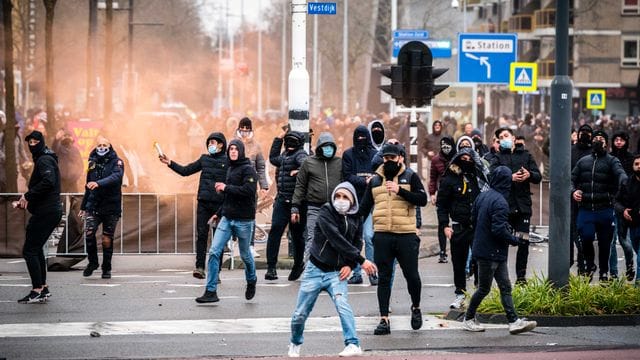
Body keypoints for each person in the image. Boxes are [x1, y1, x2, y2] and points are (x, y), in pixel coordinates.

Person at [287, 182, 378, 358]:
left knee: (343, 305)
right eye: (338, 196)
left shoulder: (356, 217)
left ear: (352, 200)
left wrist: (350, 265)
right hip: (315, 269)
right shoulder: (325, 212)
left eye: (345, 197)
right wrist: (361, 261)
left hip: (337, 273)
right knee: (300, 313)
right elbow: (335, 238)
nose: (341, 200)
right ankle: (295, 342)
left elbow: (357, 242)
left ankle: (353, 344)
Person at [359, 143, 428, 335]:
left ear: (400, 158)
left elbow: (422, 200)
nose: (389, 161)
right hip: (382, 234)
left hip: (406, 234)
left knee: (412, 276)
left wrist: (400, 191)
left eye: (392, 158)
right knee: (384, 278)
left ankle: (416, 307)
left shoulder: (411, 176)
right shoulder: (375, 181)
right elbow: (364, 209)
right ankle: (384, 319)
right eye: (386, 158)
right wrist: (350, 223)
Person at [461, 166, 537, 335]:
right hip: (491, 252)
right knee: (484, 288)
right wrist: (515, 240)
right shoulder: (501, 201)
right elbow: (498, 229)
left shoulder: (483, 196)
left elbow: (475, 218)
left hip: (486, 249)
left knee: (505, 286)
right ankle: (468, 318)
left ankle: (513, 321)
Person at [196, 139, 258, 303]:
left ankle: (251, 280)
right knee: (215, 251)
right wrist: (218, 212)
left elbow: (249, 191)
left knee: (245, 255)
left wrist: (225, 187)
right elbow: (228, 197)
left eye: (235, 149)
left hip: (244, 220)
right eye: (230, 149)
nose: (232, 152)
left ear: (241, 151)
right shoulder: (230, 169)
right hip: (227, 218)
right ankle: (211, 291)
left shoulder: (248, 170)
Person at [160, 132, 228, 279]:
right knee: (202, 235)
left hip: (219, 206)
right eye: (209, 143)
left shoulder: (228, 161)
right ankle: (200, 267)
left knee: (218, 239)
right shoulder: (204, 159)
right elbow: (186, 171)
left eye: (213, 142)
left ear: (221, 144)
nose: (211, 145)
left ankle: (216, 273)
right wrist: (170, 163)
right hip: (203, 203)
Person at [571, 130, 627, 282]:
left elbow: (620, 173)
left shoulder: (612, 161)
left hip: (605, 209)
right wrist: (573, 191)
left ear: (606, 143)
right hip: (586, 209)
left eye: (601, 139)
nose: (598, 141)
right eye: (595, 138)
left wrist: (625, 182)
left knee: (604, 244)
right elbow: (571, 179)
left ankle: (604, 272)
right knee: (586, 238)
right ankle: (590, 265)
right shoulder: (583, 161)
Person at [437, 148, 488, 310]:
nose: (466, 161)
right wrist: (445, 225)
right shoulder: (449, 179)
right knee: (458, 263)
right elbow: (442, 205)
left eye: (469, 158)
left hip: (478, 227)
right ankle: (460, 294)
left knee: (479, 261)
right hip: (458, 227)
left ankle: (480, 294)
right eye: (463, 158)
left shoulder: (478, 178)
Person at [15, 130, 62, 303]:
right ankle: (43, 288)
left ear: (41, 142)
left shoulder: (44, 160)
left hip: (47, 211)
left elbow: (48, 182)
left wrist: (28, 195)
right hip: (48, 210)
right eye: (30, 142)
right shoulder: (45, 157)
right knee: (36, 249)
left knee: (30, 250)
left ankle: (37, 289)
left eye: (36, 142)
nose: (32, 145)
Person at [490, 127, 541, 284]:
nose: (503, 138)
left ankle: (521, 277)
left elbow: (538, 176)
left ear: (513, 138)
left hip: (523, 208)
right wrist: (509, 177)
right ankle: (501, 278)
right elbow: (491, 176)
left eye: (506, 135)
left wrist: (529, 175)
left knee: (523, 242)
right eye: (500, 137)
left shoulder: (526, 155)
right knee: (501, 242)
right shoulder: (497, 157)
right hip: (504, 208)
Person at [291, 132, 342, 258]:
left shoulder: (339, 163)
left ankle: (333, 270)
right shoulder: (308, 163)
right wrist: (295, 207)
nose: (328, 149)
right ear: (319, 148)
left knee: (334, 239)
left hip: (334, 209)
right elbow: (300, 186)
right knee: (312, 238)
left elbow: (345, 185)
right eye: (325, 146)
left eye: (331, 146)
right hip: (314, 208)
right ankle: (309, 268)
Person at [265, 129, 308, 281]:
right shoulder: (283, 156)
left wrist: (299, 170)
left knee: (297, 235)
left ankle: (298, 265)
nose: (289, 144)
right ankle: (271, 268)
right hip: (282, 201)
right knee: (275, 231)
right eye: (287, 140)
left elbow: (306, 164)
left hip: (298, 202)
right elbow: (272, 158)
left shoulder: (300, 154)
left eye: (293, 141)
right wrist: (278, 138)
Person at [80, 136, 124, 279]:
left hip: (111, 206)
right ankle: (93, 263)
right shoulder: (91, 162)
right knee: (89, 233)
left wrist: (99, 183)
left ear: (110, 146)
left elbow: (116, 177)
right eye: (99, 144)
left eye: (104, 144)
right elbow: (88, 184)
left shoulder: (118, 162)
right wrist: (83, 206)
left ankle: (107, 268)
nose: (101, 147)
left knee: (106, 238)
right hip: (94, 205)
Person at [342, 124, 377, 285]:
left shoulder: (375, 155)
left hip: (369, 203)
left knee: (369, 237)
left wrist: (371, 181)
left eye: (364, 136)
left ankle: (372, 272)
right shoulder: (348, 155)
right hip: (353, 204)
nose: (361, 140)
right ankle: (355, 272)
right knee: (353, 240)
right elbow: (347, 176)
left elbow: (379, 174)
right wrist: (365, 181)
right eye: (359, 137)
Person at [235, 117, 269, 258]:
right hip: (234, 186)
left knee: (250, 218)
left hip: (250, 188)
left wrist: (264, 186)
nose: (244, 132)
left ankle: (250, 246)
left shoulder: (256, 146)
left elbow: (260, 167)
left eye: (246, 130)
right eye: (241, 129)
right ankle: (233, 244)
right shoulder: (233, 144)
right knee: (233, 216)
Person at [609, 131, 636, 281]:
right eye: (616, 139)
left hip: (626, 204)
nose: (618, 142)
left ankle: (630, 263)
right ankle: (613, 273)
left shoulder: (632, 159)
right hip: (611, 201)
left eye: (621, 140)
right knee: (612, 240)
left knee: (624, 240)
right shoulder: (610, 158)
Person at [428, 136, 456, 263]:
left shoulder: (457, 158)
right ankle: (443, 251)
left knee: (457, 222)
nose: (445, 148)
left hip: (457, 195)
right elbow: (433, 178)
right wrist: (432, 193)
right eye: (443, 145)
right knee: (442, 224)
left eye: (448, 145)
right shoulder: (436, 160)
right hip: (443, 195)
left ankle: (456, 248)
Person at [570, 124, 593, 273]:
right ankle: (574, 261)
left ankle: (583, 263)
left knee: (585, 231)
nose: (584, 134)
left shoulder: (593, 152)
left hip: (590, 197)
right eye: (582, 132)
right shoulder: (571, 151)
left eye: (587, 132)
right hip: (572, 196)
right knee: (573, 229)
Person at [614, 154, 640, 286]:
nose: (639, 166)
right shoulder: (626, 183)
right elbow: (617, 201)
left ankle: (638, 285)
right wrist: (623, 210)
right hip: (632, 225)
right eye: (636, 164)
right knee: (634, 248)